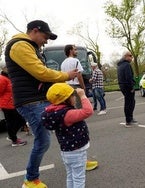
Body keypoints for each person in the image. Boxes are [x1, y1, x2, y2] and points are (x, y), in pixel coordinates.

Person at [5, 20, 78, 188]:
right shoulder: (19, 46)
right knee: (43, 140)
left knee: (67, 125)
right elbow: (41, 73)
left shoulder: (29, 47)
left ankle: (78, 159)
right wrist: (65, 75)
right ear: (35, 31)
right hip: (31, 102)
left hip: (40, 99)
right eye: (45, 36)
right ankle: (30, 179)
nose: (46, 41)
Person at [41, 83, 93, 188]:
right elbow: (88, 111)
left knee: (70, 175)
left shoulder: (54, 112)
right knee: (79, 178)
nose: (75, 98)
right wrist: (83, 96)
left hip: (66, 151)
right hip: (77, 151)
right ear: (66, 99)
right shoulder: (67, 114)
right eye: (73, 96)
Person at [0, 60, 27, 147]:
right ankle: (14, 139)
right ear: (4, 68)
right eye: (7, 67)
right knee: (18, 120)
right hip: (7, 104)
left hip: (11, 103)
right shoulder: (2, 79)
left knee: (15, 121)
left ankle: (12, 137)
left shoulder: (8, 77)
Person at [117, 51, 138, 127]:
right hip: (127, 86)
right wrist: (131, 87)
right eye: (130, 56)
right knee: (129, 103)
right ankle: (128, 120)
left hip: (122, 86)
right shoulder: (126, 65)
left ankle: (130, 118)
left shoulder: (120, 65)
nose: (131, 57)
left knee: (130, 102)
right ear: (125, 56)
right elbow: (128, 77)